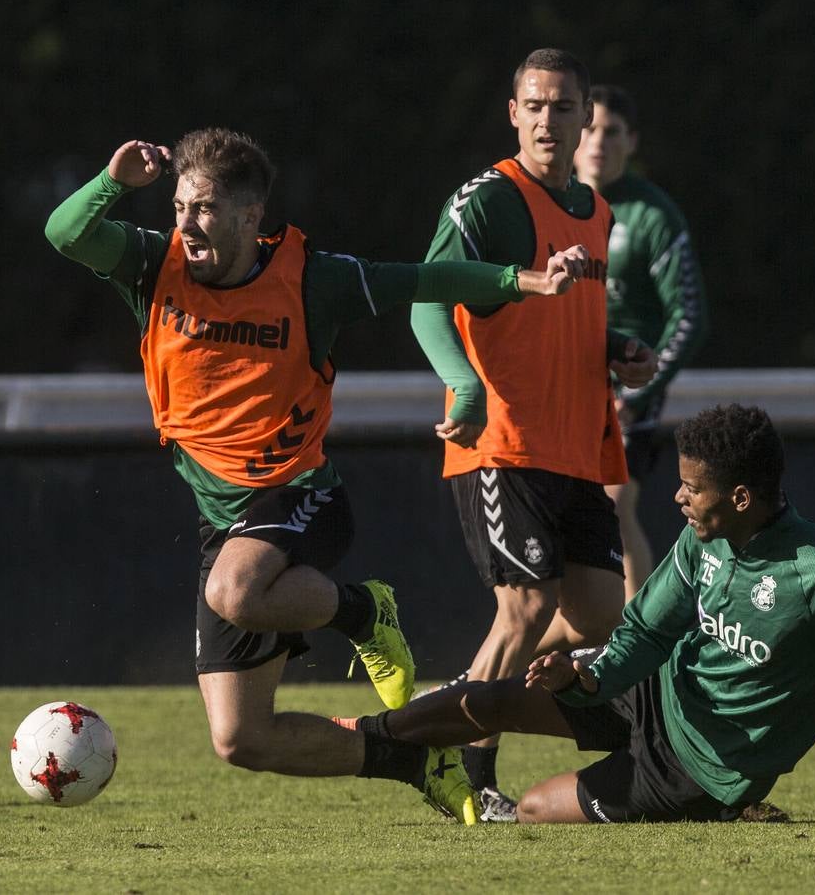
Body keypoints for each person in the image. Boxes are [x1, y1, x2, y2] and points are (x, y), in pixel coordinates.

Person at [46, 129, 594, 824]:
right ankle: (412, 758)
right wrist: (115, 181)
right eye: (180, 206)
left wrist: (524, 280)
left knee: (234, 591)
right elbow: (65, 233)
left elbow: (420, 279)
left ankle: (365, 610)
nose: (185, 223)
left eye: (205, 208)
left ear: (250, 217)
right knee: (241, 739)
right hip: (228, 522)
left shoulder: (312, 279)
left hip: (301, 498)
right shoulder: (154, 265)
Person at [342, 404, 815, 826]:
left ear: (739, 496)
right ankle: (373, 734)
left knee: (534, 809)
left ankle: (728, 811)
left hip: (697, 772)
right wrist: (587, 678)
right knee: (490, 701)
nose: (677, 496)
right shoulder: (702, 539)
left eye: (690, 487)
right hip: (651, 693)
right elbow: (645, 631)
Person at [410, 48, 659, 820]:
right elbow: (425, 299)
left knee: (597, 615)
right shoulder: (487, 200)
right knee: (523, 612)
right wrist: (463, 385)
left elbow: (571, 318)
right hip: (504, 443)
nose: (550, 119)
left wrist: (618, 351)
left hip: (575, 446)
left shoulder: (595, 209)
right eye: (536, 105)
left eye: (564, 107)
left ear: (586, 118)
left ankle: (453, 703)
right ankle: (467, 770)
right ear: (513, 113)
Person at [574, 83, 709, 599]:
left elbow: (690, 315)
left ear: (632, 142)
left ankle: (638, 648)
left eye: (611, 132)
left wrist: (643, 386)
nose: (597, 142)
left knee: (613, 501)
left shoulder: (652, 215)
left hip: (626, 390)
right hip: (561, 382)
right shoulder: (547, 205)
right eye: (589, 128)